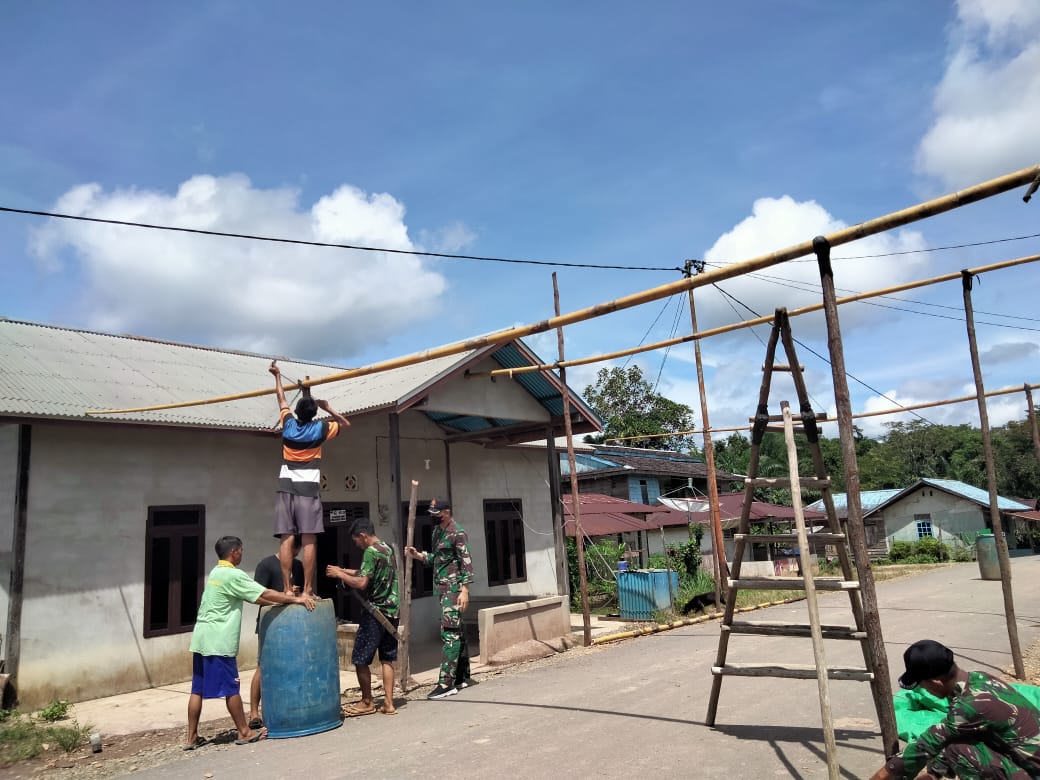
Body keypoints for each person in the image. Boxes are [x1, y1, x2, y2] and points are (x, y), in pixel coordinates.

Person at [185, 535, 314, 750]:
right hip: (219, 640)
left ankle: (191, 737)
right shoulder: (234, 575)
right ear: (234, 551)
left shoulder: (216, 573)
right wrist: (294, 598)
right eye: (241, 550)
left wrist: (281, 600)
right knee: (231, 688)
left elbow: (255, 598)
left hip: (201, 638)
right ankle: (244, 731)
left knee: (197, 690)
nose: (242, 554)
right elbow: (264, 592)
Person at [870, 639, 1040, 780]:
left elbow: (925, 746)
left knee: (954, 749)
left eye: (923, 686)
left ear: (936, 682)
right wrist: (933, 774)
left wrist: (883, 774)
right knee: (954, 743)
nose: (925, 691)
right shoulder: (979, 679)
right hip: (1026, 762)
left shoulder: (971, 705)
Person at [269, 360, 349, 600]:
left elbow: (282, 400)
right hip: (308, 490)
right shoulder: (321, 429)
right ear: (315, 414)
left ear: (297, 413)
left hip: (286, 488)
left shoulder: (288, 425)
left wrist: (277, 376)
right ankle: (307, 589)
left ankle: (286, 588)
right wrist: (328, 407)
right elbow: (346, 424)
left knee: (286, 536)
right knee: (309, 538)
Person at [326, 517, 400, 716]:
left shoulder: (369, 551)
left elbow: (361, 583)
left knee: (360, 658)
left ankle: (367, 701)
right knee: (387, 659)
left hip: (375, 614)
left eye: (356, 540)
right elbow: (365, 572)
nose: (356, 544)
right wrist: (342, 570)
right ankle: (389, 703)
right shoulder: (386, 548)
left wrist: (340, 576)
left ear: (363, 535)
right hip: (392, 613)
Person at [404, 498, 475, 700]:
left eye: (436, 513)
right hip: (443, 589)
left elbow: (466, 563)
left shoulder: (457, 532)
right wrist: (418, 555)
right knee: (457, 631)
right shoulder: (437, 532)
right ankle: (461, 676)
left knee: (450, 634)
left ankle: (446, 683)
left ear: (446, 512)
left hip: (455, 590)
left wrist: (465, 590)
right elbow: (437, 559)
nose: (432, 517)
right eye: (431, 513)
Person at [246, 536, 304, 730]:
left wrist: (296, 593)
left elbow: (302, 594)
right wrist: (282, 596)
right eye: (294, 550)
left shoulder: (298, 566)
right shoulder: (266, 565)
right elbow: (258, 595)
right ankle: (254, 712)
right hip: (270, 622)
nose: (295, 554)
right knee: (263, 666)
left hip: (293, 623)